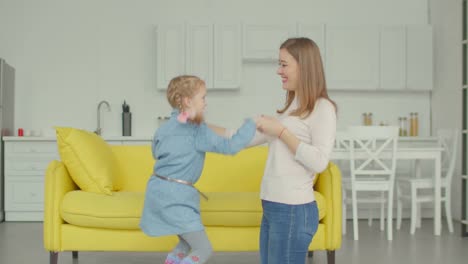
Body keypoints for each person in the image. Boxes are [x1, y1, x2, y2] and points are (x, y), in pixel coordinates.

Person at [139, 75, 257, 264]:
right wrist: (251, 124)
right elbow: (230, 147)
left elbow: (155, 152)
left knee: (185, 245)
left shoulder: (164, 128)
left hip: (156, 192)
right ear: (187, 101)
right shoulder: (197, 131)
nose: (205, 103)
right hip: (177, 198)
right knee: (203, 249)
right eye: (203, 98)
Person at [253, 37, 337, 264]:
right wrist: (199, 127)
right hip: (273, 204)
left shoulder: (323, 108)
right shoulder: (291, 107)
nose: (278, 70)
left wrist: (281, 132)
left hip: (292, 208)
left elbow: (319, 161)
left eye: (284, 64)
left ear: (304, 66)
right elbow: (241, 139)